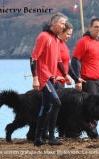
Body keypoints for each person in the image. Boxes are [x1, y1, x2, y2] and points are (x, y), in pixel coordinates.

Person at [30, 13, 72, 146]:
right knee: (56, 103)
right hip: (43, 77)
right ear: (54, 23)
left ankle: (38, 138)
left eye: (65, 24)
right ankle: (52, 137)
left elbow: (59, 60)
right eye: (62, 24)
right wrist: (35, 79)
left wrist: (65, 75)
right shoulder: (44, 37)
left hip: (52, 77)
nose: (64, 26)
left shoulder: (56, 39)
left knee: (46, 106)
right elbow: (33, 58)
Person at [41, 21, 85, 138]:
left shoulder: (63, 45)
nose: (69, 37)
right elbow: (49, 61)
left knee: (57, 108)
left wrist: (76, 78)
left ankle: (57, 133)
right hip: (54, 81)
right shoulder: (55, 43)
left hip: (62, 81)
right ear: (61, 32)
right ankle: (46, 133)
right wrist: (54, 76)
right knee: (52, 107)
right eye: (68, 34)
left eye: (71, 34)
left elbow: (67, 64)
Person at [71, 17, 99, 137]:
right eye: (96, 27)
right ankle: (90, 132)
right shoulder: (84, 41)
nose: (98, 29)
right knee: (92, 107)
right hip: (86, 80)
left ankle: (85, 130)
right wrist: (77, 79)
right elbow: (75, 61)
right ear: (90, 27)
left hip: (96, 80)